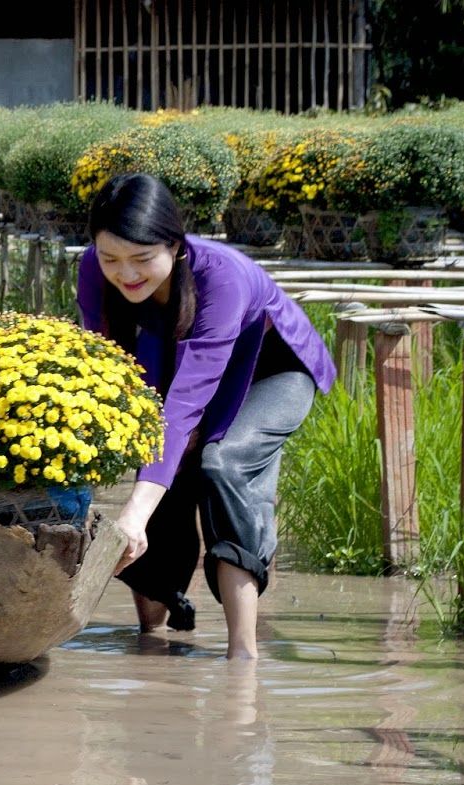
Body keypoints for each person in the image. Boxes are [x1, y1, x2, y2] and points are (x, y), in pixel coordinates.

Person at [77, 173, 336, 659]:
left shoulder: (222, 276)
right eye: (111, 258)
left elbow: (188, 402)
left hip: (269, 371)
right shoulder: (94, 267)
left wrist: (132, 515)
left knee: (221, 464)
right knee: (157, 468)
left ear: (174, 247)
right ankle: (150, 641)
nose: (125, 273)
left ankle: (243, 657)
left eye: (141, 259)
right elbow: (106, 366)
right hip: (176, 363)